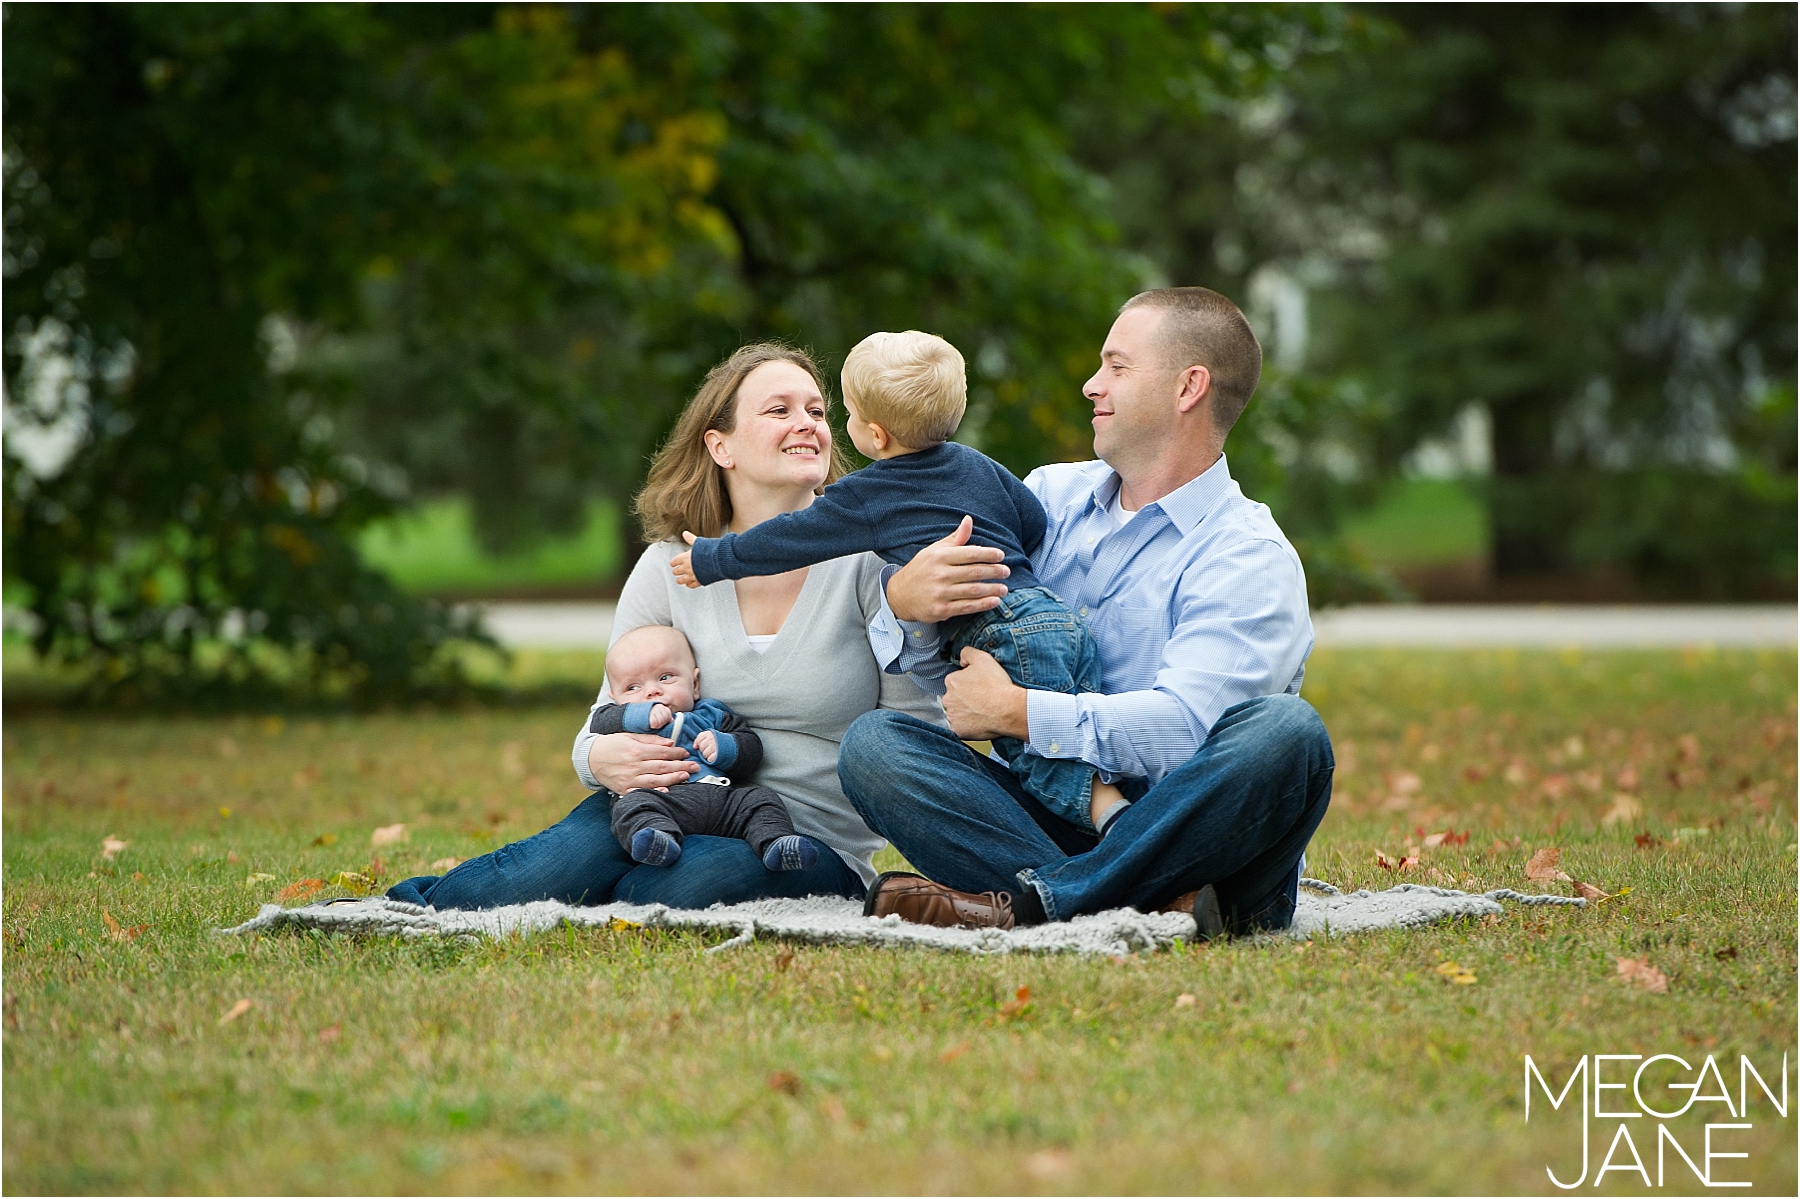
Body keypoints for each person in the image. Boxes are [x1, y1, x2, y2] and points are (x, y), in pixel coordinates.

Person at [838, 287, 1335, 935]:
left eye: (1117, 367)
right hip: (1055, 812)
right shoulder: (1048, 498)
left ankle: (1037, 905)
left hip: (1200, 840)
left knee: (1287, 735)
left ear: (1189, 388)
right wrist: (908, 606)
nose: (1090, 384)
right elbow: (962, 683)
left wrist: (1020, 712)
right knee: (875, 747)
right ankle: (1146, 903)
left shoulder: (1247, 555)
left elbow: (1188, 731)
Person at [387, 343, 945, 911]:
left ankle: (611, 900)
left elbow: (914, 738)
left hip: (801, 840)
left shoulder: (873, 564)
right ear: (719, 445)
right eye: (779, 410)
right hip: (660, 805)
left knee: (671, 888)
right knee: (524, 880)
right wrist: (597, 761)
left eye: (817, 412)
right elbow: (605, 719)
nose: (806, 424)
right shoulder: (666, 567)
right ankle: (396, 911)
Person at [670, 330, 1126, 835]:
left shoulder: (869, 493)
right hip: (1054, 617)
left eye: (839, 412)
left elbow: (788, 539)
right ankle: (1118, 819)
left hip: (999, 634)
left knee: (1042, 759)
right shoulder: (977, 464)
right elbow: (1032, 520)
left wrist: (712, 558)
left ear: (876, 434)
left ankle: (1119, 828)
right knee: (1083, 738)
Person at [583, 624, 817, 873]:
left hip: (722, 801)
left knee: (760, 800)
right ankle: (659, 841)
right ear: (615, 698)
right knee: (630, 807)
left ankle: (776, 844)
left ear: (694, 684)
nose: (652, 691)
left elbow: (751, 749)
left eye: (665, 677)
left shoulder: (711, 714)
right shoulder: (620, 718)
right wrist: (639, 714)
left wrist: (724, 745)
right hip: (659, 797)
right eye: (633, 688)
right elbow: (601, 720)